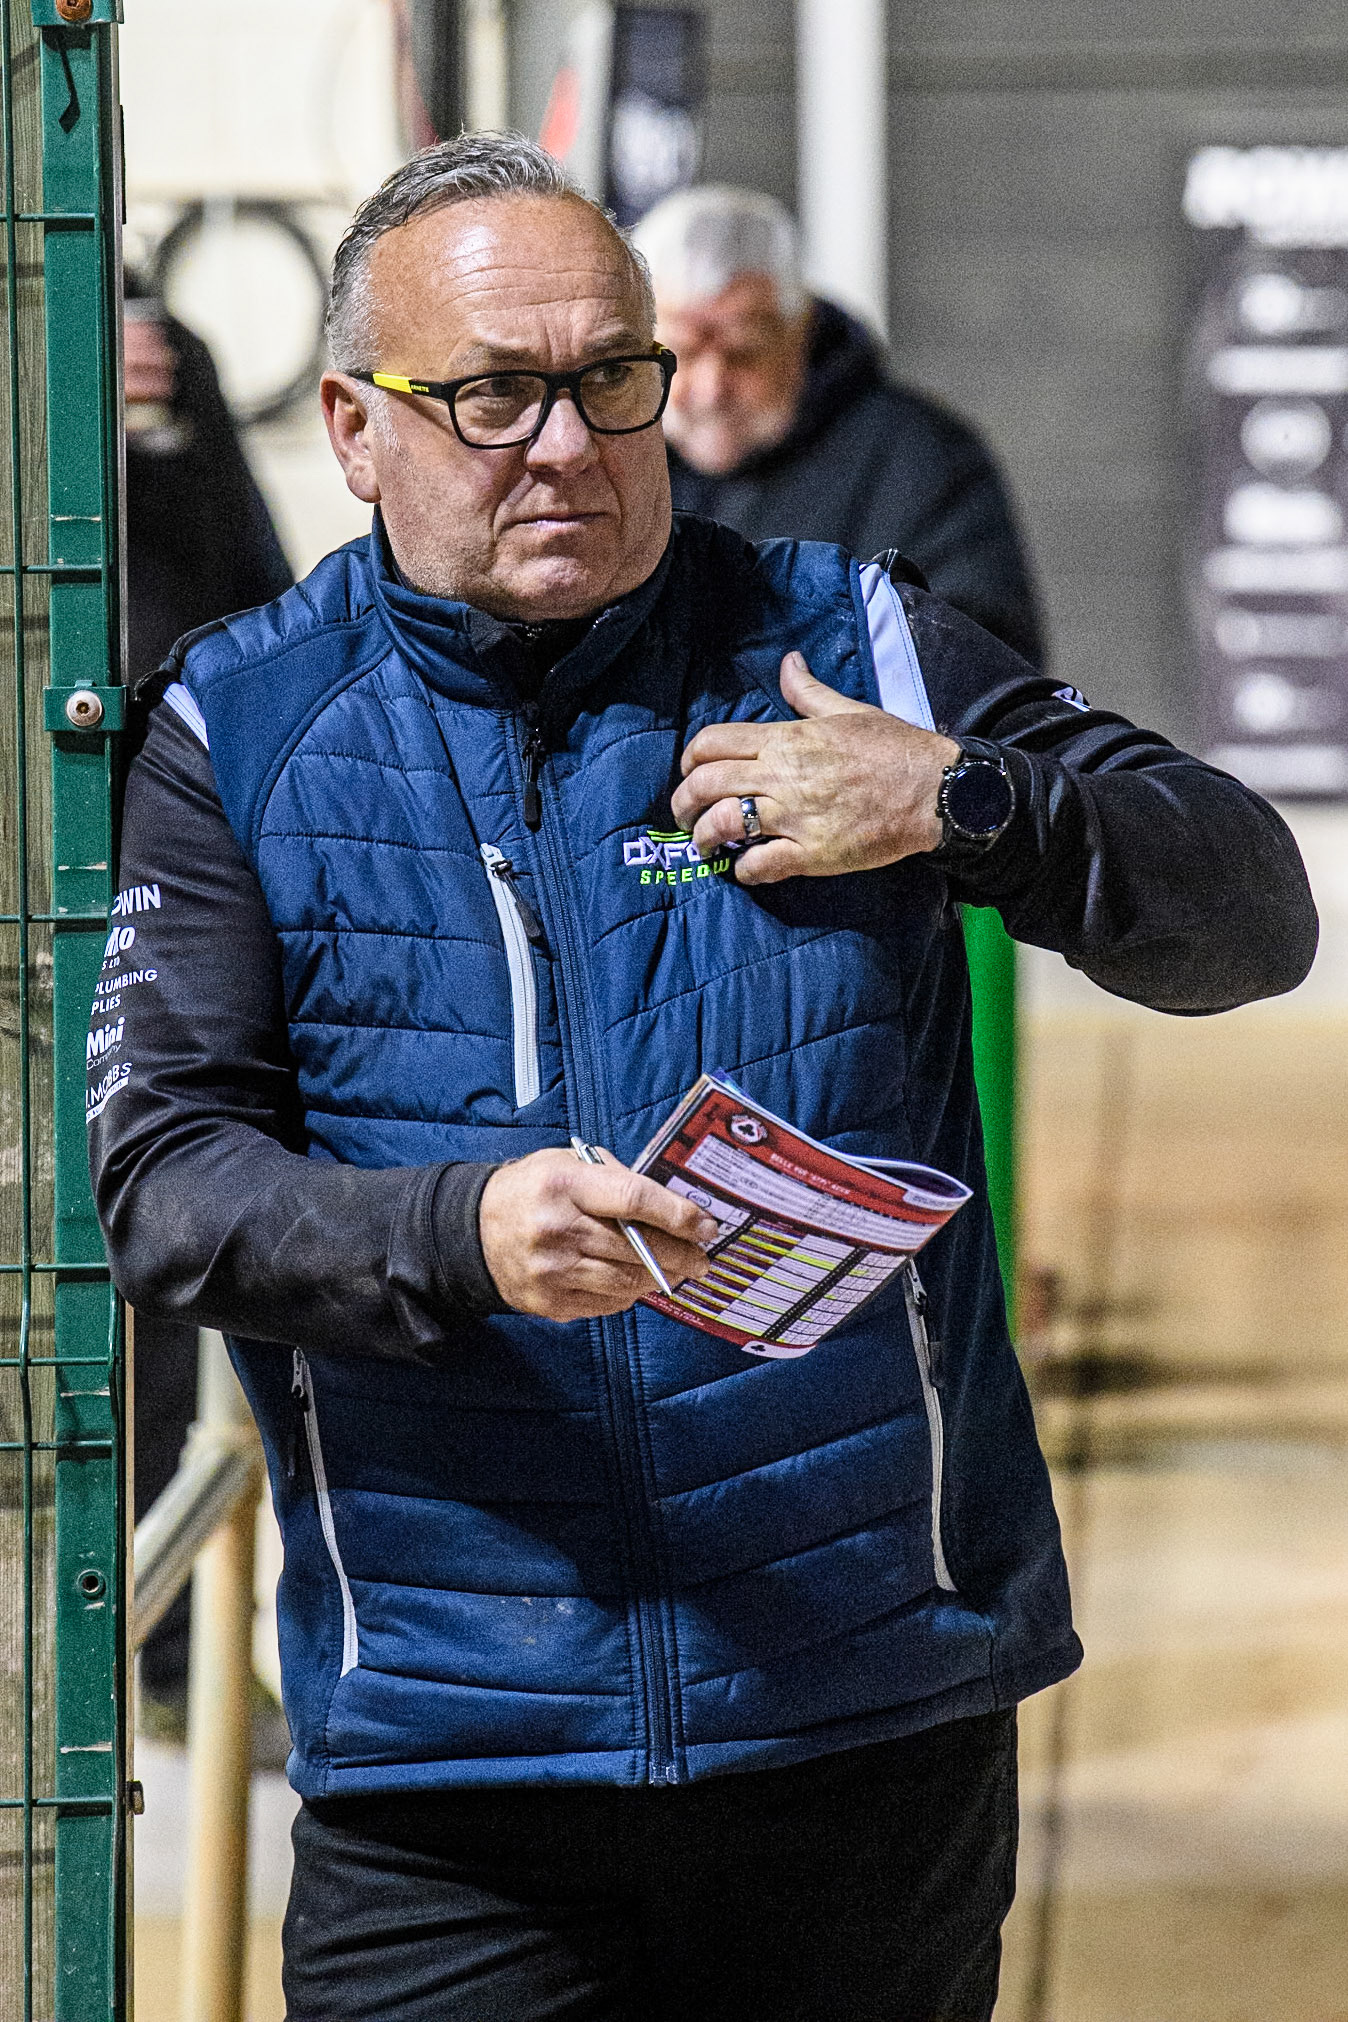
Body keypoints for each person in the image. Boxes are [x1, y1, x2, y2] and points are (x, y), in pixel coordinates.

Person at [88, 135, 1316, 2021]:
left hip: (860, 1720)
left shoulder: (850, 641)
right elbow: (167, 1182)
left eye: (611, 380)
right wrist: (457, 1229)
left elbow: (1246, 913)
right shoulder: (237, 726)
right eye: (494, 393)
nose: (567, 443)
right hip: (453, 1763)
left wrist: (960, 800)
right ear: (353, 424)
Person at [122, 280, 294, 1723]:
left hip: (161, 891)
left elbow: (254, 596)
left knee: (170, 1277)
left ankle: (173, 1661)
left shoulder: (167, 341)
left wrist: (159, 430)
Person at [634, 184, 1043, 662]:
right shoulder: (600, 449)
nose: (710, 388)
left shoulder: (922, 459)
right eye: (680, 353)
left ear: (798, 334)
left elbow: (983, 661)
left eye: (743, 353)